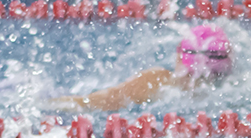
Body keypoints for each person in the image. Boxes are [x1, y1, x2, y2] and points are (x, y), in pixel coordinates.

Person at [48, 24, 232, 111]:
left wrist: (46, 104)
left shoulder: (156, 80)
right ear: (228, 62)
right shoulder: (233, 90)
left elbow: (94, 102)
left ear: (179, 55)